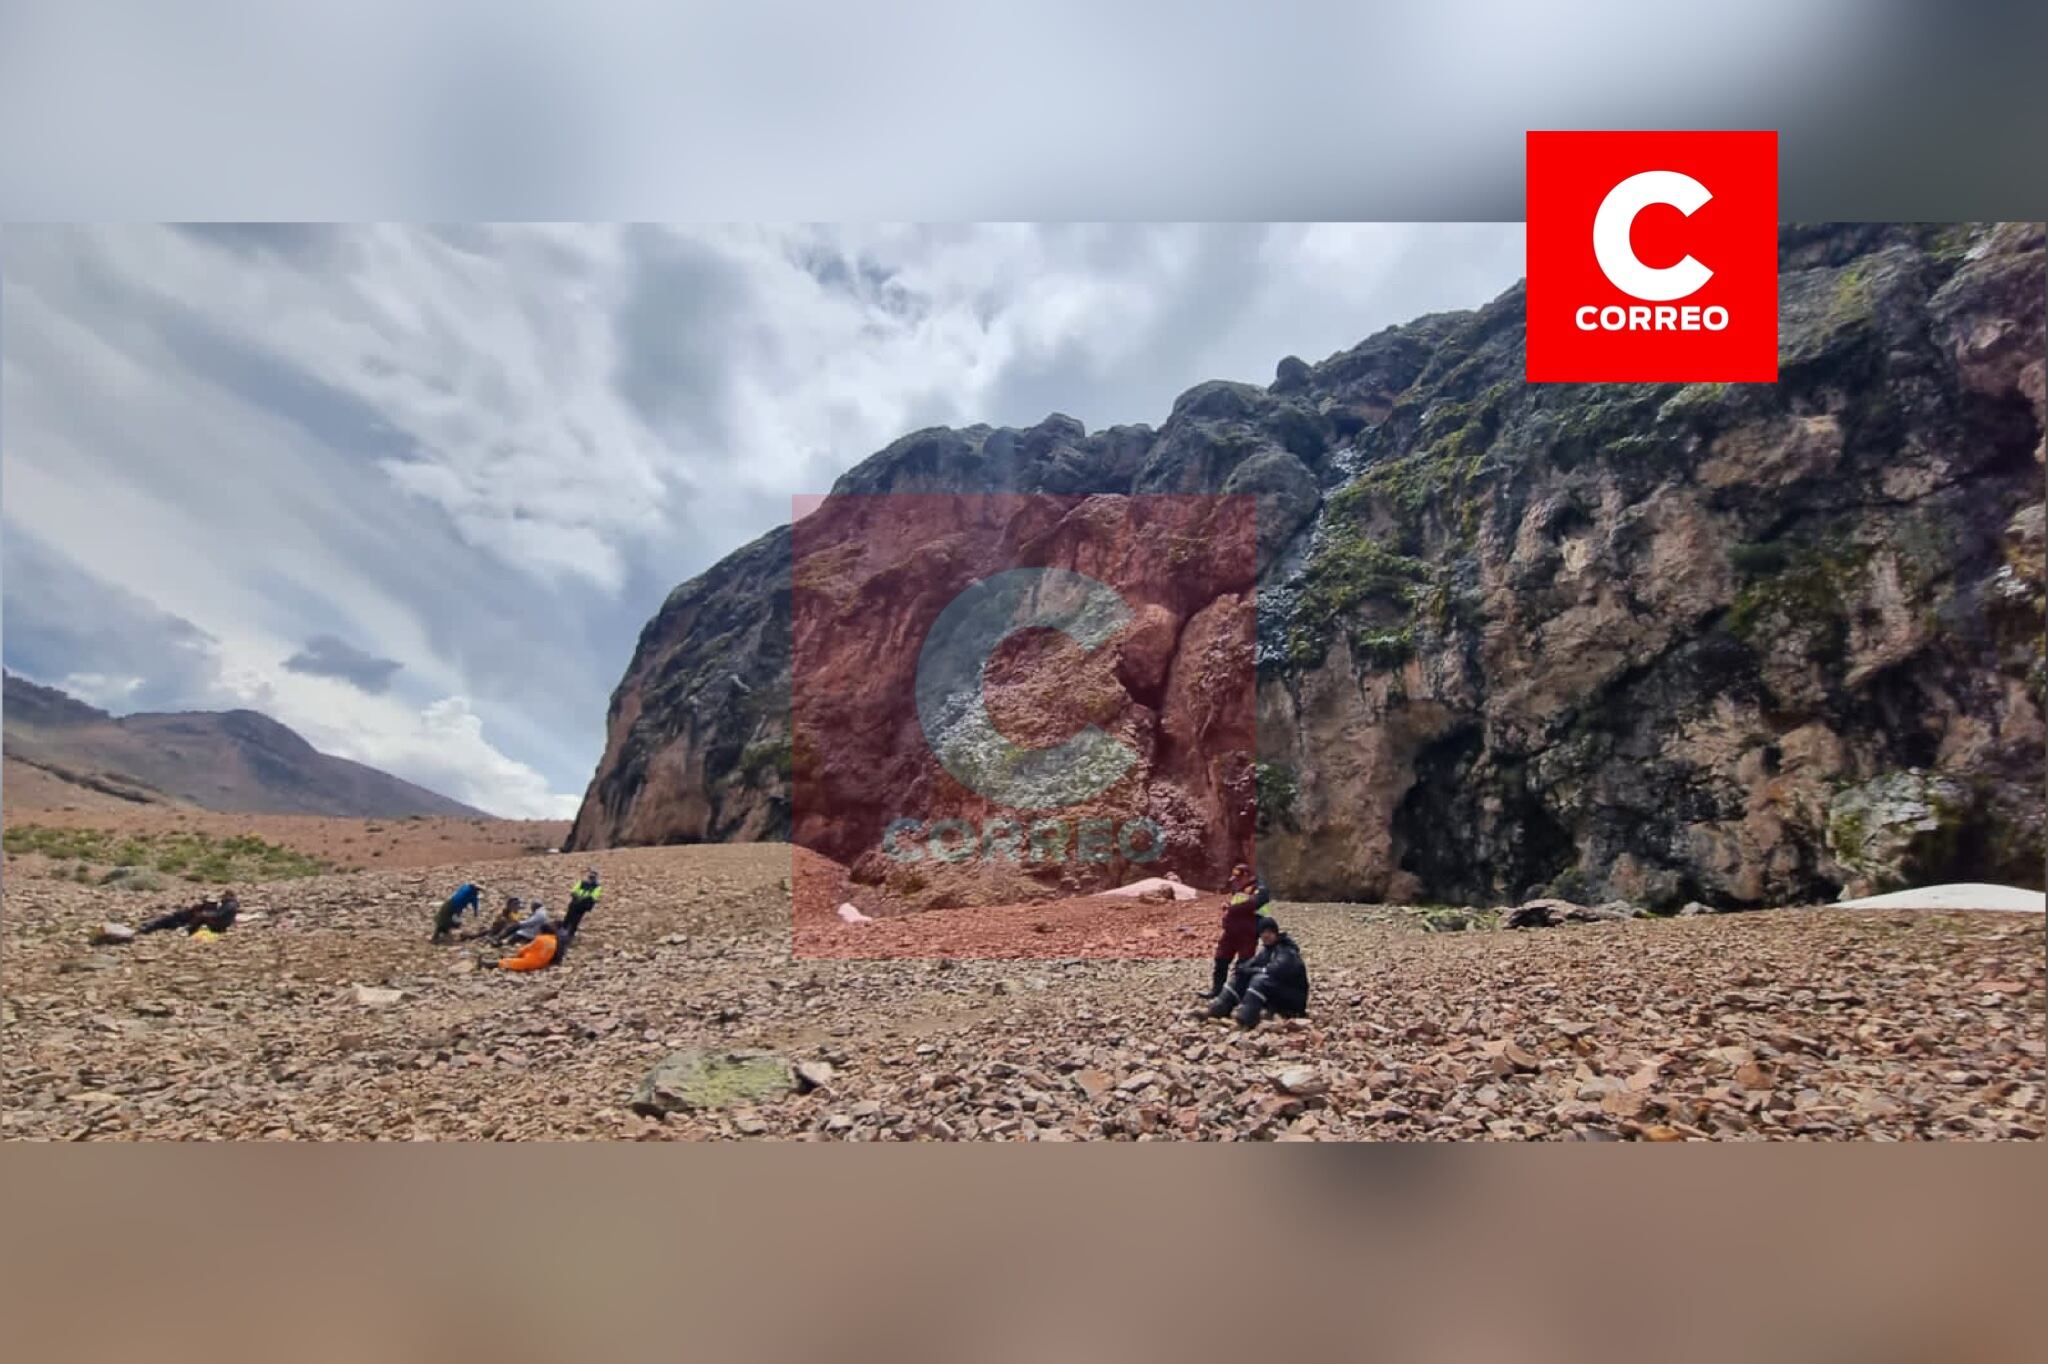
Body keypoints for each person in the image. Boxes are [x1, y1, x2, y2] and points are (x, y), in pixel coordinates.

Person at [1205, 915, 1309, 1028]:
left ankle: (1247, 1018)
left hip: (1293, 999)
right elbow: (1250, 964)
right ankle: (1218, 1009)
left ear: (1276, 932)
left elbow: (1275, 970)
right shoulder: (1267, 950)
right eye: (1262, 932)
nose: (1265, 935)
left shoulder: (1286, 950)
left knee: (1259, 979)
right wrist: (1242, 969)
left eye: (1269, 932)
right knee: (1241, 977)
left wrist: (1252, 970)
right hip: (1278, 993)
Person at [1198, 863, 1269, 1002]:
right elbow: (1239, 904)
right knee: (1221, 959)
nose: (1236, 881)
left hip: (1247, 933)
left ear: (1247, 875)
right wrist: (1230, 908)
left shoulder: (1260, 888)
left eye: (1238, 878)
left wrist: (1232, 908)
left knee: (1244, 964)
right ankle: (1217, 990)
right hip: (1231, 932)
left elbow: (1256, 902)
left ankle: (1239, 993)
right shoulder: (1240, 888)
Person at [136, 891, 241, 937]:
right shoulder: (229, 905)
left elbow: (219, 915)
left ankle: (148, 928)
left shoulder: (229, 905)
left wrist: (204, 914)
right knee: (169, 920)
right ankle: (149, 927)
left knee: (167, 920)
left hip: (214, 925)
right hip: (211, 924)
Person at [489, 919, 562, 972]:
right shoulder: (554, 941)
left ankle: (487, 964)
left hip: (532, 962)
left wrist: (518, 953)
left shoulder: (540, 939)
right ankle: (504, 958)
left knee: (509, 962)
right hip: (542, 962)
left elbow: (527, 948)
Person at [562, 868, 603, 937]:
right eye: (590, 877)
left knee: (576, 921)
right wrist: (577, 896)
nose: (591, 879)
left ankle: (570, 935)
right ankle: (563, 930)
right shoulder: (582, 882)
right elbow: (574, 890)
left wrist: (582, 898)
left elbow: (593, 897)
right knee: (568, 917)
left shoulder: (597, 887)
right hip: (574, 903)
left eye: (593, 877)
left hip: (583, 906)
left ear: (596, 878)